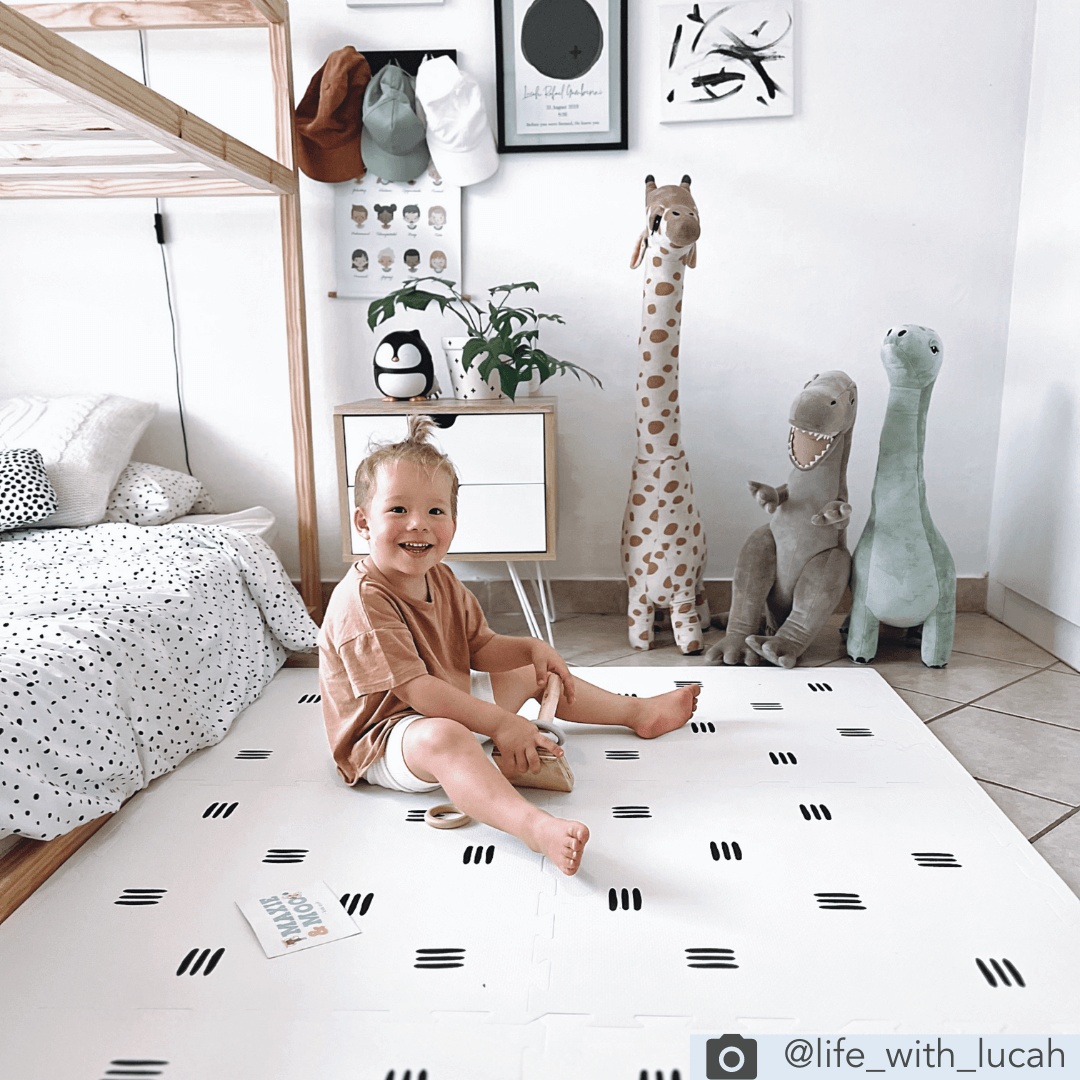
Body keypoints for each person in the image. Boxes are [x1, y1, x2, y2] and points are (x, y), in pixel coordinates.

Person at [318, 417, 700, 874]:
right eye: (398, 510)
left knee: (526, 673)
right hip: (387, 738)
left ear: (453, 524)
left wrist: (528, 649)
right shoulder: (363, 600)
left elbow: (479, 646)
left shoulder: (439, 576)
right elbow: (418, 694)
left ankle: (637, 713)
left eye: (435, 512)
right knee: (447, 735)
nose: (418, 525)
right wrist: (501, 725)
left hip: (443, 702)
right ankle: (532, 827)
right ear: (363, 522)